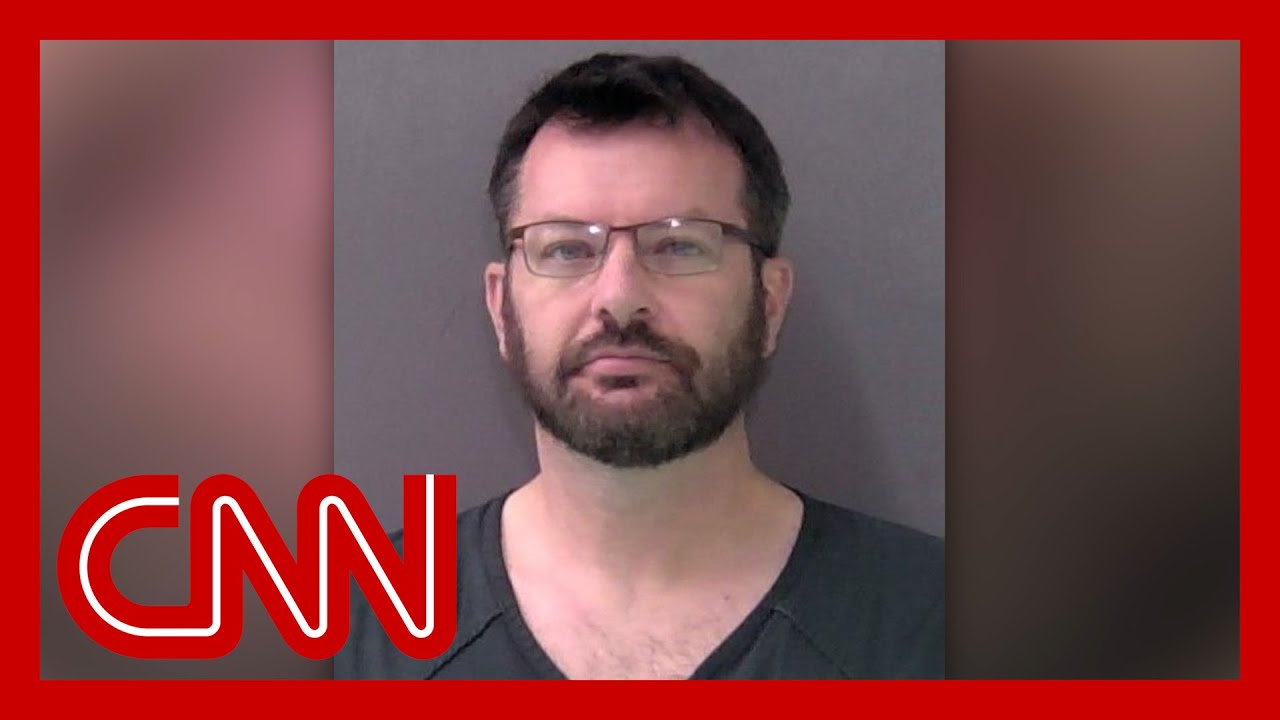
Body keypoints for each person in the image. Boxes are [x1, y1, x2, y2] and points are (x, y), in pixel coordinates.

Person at [336, 52, 943, 680]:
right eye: (566, 248)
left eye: (679, 245)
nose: (620, 297)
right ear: (501, 307)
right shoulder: (353, 635)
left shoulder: (934, 626)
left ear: (769, 302)